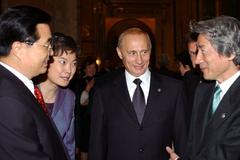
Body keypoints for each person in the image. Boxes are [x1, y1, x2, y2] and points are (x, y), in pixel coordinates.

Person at [89, 27, 187, 160]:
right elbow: (96, 146)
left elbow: (183, 141)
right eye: (132, 53)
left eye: (144, 52)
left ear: (150, 51)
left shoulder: (174, 89)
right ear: (119, 53)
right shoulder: (103, 92)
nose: (139, 60)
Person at [0, 5, 69, 160]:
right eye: (47, 45)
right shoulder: (7, 100)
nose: (51, 52)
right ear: (19, 49)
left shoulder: (15, 85)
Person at [167, 16, 240, 160]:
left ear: (230, 53)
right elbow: (193, 144)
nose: (197, 60)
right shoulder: (203, 90)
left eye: (203, 51)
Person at [35, 32, 80, 160]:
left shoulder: (69, 97)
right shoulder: (26, 92)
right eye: (63, 62)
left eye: (74, 63)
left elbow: (69, 143)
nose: (69, 70)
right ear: (47, 59)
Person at [71, 57, 97, 160]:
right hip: (84, 122)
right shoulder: (78, 82)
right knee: (84, 149)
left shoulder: (100, 81)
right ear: (84, 69)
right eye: (89, 67)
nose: (92, 69)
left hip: (96, 121)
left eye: (94, 67)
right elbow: (81, 102)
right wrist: (88, 88)